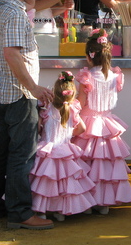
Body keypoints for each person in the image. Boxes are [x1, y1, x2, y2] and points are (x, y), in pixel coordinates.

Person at [0, 0, 55, 230]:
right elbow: (12, 54)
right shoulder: (14, 14)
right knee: (21, 156)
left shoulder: (2, 8)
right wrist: (34, 88)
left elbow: (33, 2)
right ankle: (20, 213)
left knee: (1, 153)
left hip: (3, 93)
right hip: (18, 95)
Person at [72, 28, 131, 214]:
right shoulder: (115, 76)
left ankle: (86, 201)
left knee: (86, 162)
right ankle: (104, 203)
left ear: (89, 57)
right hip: (107, 122)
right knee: (105, 164)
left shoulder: (86, 76)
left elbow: (81, 102)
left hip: (87, 122)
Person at [29, 71, 96, 221]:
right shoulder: (73, 109)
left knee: (45, 182)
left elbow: (39, 127)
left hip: (47, 150)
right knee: (66, 183)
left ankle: (42, 211)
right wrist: (69, 134)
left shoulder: (46, 108)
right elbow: (82, 129)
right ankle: (61, 212)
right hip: (65, 149)